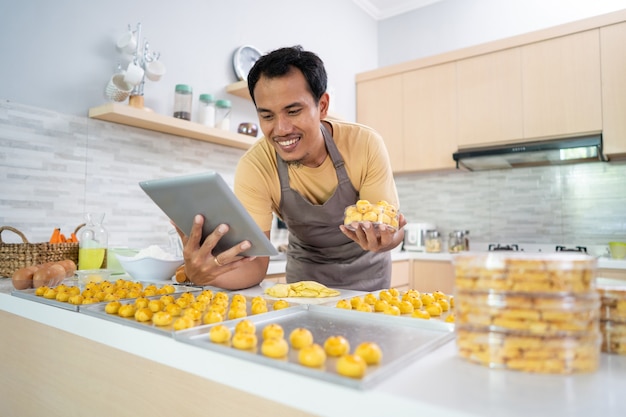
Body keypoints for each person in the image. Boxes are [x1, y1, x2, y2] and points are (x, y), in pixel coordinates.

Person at [179, 45, 406, 291]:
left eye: (293, 111)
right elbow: (254, 267)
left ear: (322, 106)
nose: (281, 129)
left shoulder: (364, 144)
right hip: (305, 281)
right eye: (267, 116)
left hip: (369, 276)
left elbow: (389, 229)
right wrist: (203, 273)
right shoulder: (255, 166)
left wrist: (388, 239)